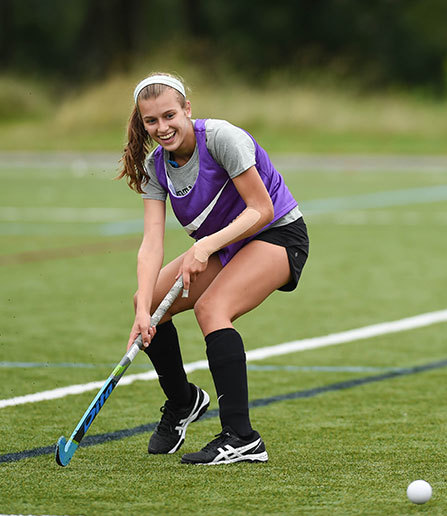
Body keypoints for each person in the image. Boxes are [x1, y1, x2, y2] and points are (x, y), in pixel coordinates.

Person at [117, 73, 308, 465]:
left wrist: (206, 244)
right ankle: (183, 402)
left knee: (212, 309)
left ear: (187, 109)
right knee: (149, 300)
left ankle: (242, 437)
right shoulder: (157, 166)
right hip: (229, 243)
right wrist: (142, 314)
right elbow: (151, 243)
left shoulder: (223, 139)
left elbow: (262, 209)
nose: (162, 128)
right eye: (151, 121)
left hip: (277, 234)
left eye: (170, 115)